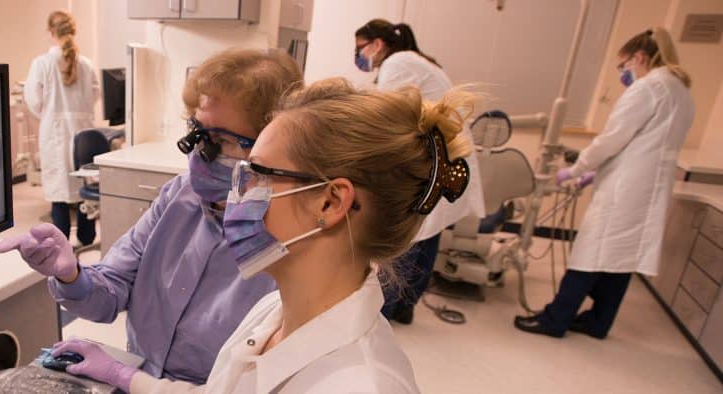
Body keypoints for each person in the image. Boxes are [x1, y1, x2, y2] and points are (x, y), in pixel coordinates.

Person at [48, 79, 475, 393]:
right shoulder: (274, 310)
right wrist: (125, 376)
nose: (237, 194)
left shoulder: (359, 384)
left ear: (330, 202)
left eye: (258, 175)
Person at [0, 48, 304, 383]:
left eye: (220, 140)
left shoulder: (291, 240)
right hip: (136, 377)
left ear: (269, 145)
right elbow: (110, 292)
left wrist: (127, 378)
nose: (201, 151)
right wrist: (71, 274)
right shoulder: (179, 195)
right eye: (197, 131)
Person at [515, 27, 694, 339]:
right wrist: (595, 173)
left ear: (639, 58)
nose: (623, 75)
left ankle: (556, 319)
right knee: (622, 256)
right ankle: (599, 322)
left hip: (626, 187)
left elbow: (611, 140)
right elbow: (645, 145)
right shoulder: (679, 90)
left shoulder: (647, 88)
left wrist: (575, 170)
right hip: (648, 187)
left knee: (592, 250)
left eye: (623, 67)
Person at [355, 19, 485, 324]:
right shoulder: (415, 60)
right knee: (427, 233)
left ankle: (382, 314)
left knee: (411, 235)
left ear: (377, 44)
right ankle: (404, 308)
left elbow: (386, 114)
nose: (359, 55)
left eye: (360, 48)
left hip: (436, 159)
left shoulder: (398, 62)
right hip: (443, 156)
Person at [22, 10, 100, 245]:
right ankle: (87, 239)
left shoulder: (42, 63)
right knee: (84, 188)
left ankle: (61, 247)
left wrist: (50, 115)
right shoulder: (86, 64)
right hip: (83, 134)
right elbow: (94, 96)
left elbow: (34, 101)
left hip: (55, 134)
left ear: (51, 32)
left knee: (59, 194)